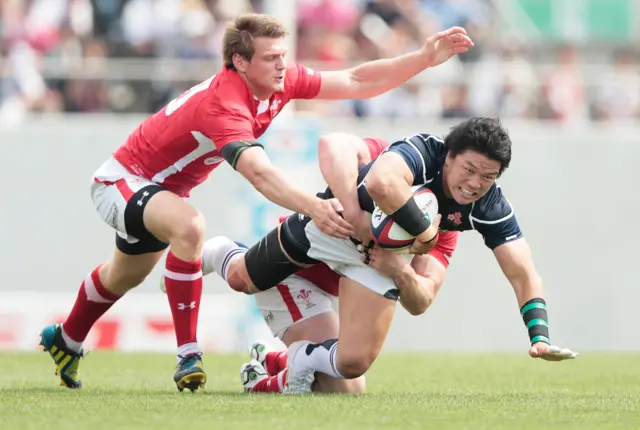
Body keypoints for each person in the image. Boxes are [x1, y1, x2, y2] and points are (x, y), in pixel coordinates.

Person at [37, 13, 474, 391]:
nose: (282, 65)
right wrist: (315, 206)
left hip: (160, 191)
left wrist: (422, 59)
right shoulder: (224, 103)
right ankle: (189, 355)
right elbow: (259, 173)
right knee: (189, 227)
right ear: (240, 63)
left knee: (121, 275)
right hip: (121, 181)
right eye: (270, 58)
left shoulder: (277, 82)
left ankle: (67, 340)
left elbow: (357, 80)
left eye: (283, 56)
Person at [204, 118, 579, 394]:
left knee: (351, 374)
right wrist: (412, 228)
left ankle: (288, 365)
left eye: (489, 176)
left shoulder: (483, 209)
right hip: (335, 228)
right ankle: (210, 251)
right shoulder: (419, 152)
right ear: (449, 158)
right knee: (240, 279)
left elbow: (521, 272)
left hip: (374, 260)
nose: (476, 183)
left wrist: (539, 335)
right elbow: (378, 180)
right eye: (470, 169)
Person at [191, 135, 458, 393]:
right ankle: (220, 251)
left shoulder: (444, 226)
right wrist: (354, 212)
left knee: (347, 382)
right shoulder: (392, 160)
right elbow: (331, 144)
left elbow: (421, 300)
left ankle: (270, 366)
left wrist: (401, 270)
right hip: (298, 273)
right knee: (242, 279)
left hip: (329, 287)